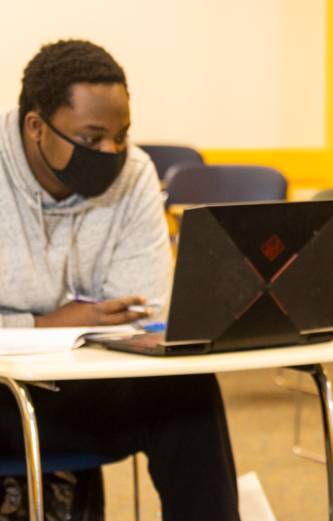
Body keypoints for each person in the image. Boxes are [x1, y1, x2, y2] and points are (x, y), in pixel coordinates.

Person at [0, 40, 240, 520]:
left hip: (85, 381)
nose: (110, 152)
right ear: (35, 127)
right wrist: (46, 325)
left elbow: (141, 311)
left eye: (121, 135)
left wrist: (36, 325)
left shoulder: (134, 174)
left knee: (188, 391)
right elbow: (99, 316)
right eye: (91, 139)